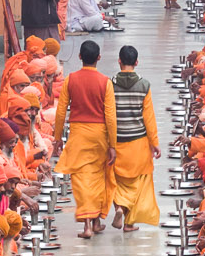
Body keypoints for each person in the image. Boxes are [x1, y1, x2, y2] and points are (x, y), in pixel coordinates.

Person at [53, 38, 114, 237]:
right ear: (98, 58)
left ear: (80, 57)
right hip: (99, 134)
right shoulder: (106, 82)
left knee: (80, 178)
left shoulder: (71, 79)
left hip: (78, 133)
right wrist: (112, 144)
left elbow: (61, 111)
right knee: (97, 177)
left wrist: (57, 137)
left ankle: (87, 224)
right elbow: (111, 117)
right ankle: (96, 222)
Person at [108, 44, 160, 233]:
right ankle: (129, 223)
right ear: (136, 62)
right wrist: (154, 143)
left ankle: (119, 207)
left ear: (119, 61)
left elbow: (108, 115)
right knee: (139, 182)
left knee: (116, 180)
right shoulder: (144, 85)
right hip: (138, 141)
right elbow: (149, 117)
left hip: (117, 141)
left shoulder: (110, 85)